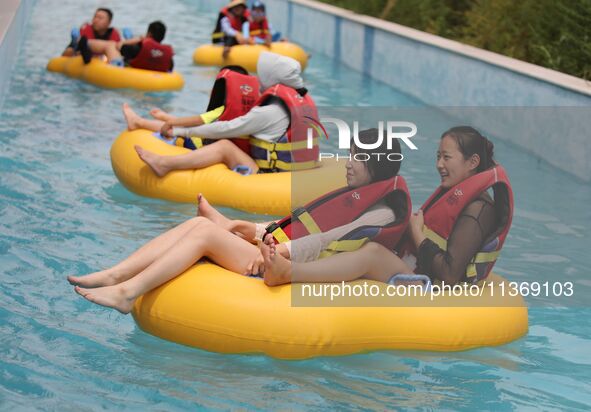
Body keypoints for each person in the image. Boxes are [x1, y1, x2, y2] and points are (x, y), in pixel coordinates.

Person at [68, 129, 409, 313]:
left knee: (203, 232)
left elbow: (324, 241)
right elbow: (308, 226)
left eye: (358, 159)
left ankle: (128, 293)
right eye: (350, 157)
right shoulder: (361, 195)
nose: (349, 165)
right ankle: (118, 274)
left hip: (286, 267)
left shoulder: (382, 211)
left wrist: (276, 250)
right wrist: (259, 230)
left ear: (377, 166)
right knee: (197, 226)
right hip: (283, 253)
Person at [261, 126, 514, 287]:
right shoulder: (464, 200)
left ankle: (292, 273)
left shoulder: (479, 210)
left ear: (473, 162)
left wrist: (416, 232)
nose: (439, 164)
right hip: (416, 270)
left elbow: (449, 275)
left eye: (446, 157)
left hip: (434, 289)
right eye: (438, 156)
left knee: (373, 253)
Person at [134, 52, 320, 176]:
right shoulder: (300, 101)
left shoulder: (270, 111)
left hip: (273, 175)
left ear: (273, 78)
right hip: (294, 171)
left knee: (224, 146)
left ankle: (164, 164)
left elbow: (226, 128)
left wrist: (179, 132)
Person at [123, 65, 260, 154]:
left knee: (178, 131)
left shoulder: (222, 110)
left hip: (201, 147)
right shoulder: (252, 111)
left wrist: (170, 123)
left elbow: (195, 121)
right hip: (232, 150)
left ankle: (138, 122)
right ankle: (164, 117)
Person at [77, 21, 174, 72]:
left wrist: (137, 39)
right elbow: (170, 67)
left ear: (148, 33)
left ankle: (86, 44)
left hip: (119, 68)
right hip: (154, 75)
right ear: (163, 37)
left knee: (111, 45)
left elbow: (119, 47)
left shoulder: (141, 46)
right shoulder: (167, 53)